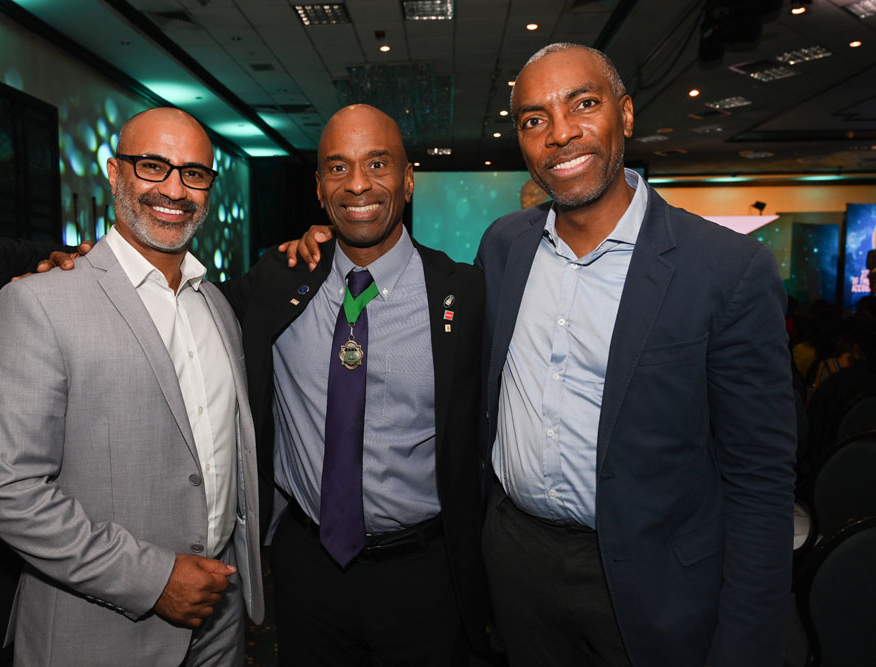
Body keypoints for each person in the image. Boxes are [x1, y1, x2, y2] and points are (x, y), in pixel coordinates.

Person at [290, 44, 797, 667]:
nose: (560, 133)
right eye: (535, 119)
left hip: (652, 578)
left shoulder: (726, 268)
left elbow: (760, 481)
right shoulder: (504, 247)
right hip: (515, 564)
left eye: (583, 105)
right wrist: (327, 244)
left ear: (625, 114)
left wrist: (748, 645)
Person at [38, 104, 492, 664]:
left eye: (377, 164)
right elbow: (170, 300)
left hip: (425, 574)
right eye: (337, 167)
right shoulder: (281, 278)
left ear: (408, 178)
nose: (358, 184)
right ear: (319, 188)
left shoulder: (464, 294)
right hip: (306, 571)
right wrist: (86, 269)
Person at [0, 108, 263, 666]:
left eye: (194, 173)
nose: (174, 189)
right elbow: (4, 490)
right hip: (99, 631)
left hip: (220, 617)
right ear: (113, 172)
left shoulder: (216, 305)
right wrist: (155, 579)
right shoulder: (39, 302)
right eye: (153, 165)